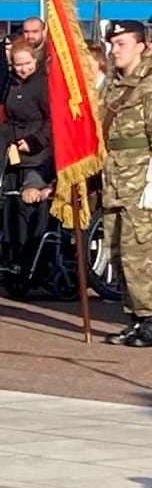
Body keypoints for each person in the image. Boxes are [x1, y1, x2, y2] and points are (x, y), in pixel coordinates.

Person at [101, 20, 152, 347]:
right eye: (112, 44)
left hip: (140, 181)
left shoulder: (148, 86)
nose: (114, 49)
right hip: (115, 180)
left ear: (141, 47)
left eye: (121, 43)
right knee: (118, 252)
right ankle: (134, 317)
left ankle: (150, 318)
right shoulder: (112, 85)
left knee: (140, 253)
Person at [4, 38, 53, 191]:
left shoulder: (43, 84)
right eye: (18, 65)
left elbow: (51, 119)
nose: (24, 69)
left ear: (35, 61)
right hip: (16, 153)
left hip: (38, 156)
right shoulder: (11, 83)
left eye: (28, 64)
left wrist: (34, 142)